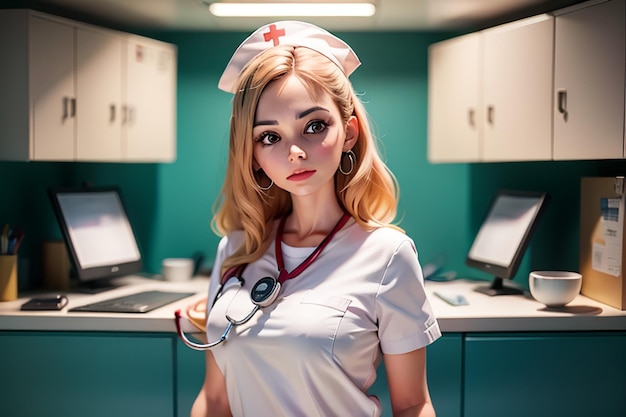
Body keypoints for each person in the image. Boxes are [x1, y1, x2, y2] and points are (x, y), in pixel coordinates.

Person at [188, 20, 441, 417]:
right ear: (251, 153)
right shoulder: (236, 250)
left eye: (314, 126)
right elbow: (215, 399)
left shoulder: (388, 255)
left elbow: (412, 405)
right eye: (269, 136)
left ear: (350, 132)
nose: (295, 152)